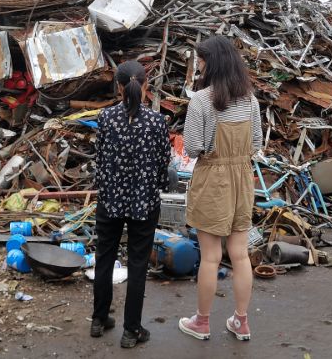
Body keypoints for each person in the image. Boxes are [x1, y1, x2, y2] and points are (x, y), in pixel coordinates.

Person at [179, 36, 262, 341]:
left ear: (210, 63)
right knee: (240, 254)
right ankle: (241, 321)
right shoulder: (250, 100)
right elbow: (256, 143)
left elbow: (192, 147)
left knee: (211, 257)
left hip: (212, 179)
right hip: (242, 178)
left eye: (200, 61)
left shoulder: (201, 100)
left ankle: (202, 323)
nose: (198, 66)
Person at [91, 60, 170, 348]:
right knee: (137, 265)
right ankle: (131, 330)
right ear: (146, 85)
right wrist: (157, 186)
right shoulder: (157, 122)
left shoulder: (106, 118)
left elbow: (100, 159)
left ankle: (99, 320)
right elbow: (163, 164)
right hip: (143, 204)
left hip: (110, 201)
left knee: (104, 258)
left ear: (119, 86)